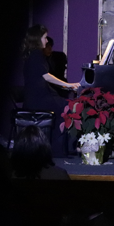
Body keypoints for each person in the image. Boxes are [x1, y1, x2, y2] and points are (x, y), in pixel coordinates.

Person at [21, 25, 79, 157]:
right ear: (37, 38)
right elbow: (46, 76)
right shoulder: (36, 54)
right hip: (39, 100)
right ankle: (64, 148)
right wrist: (69, 85)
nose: (47, 41)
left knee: (66, 107)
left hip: (36, 98)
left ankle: (61, 147)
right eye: (45, 37)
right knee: (71, 108)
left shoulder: (32, 54)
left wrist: (65, 86)